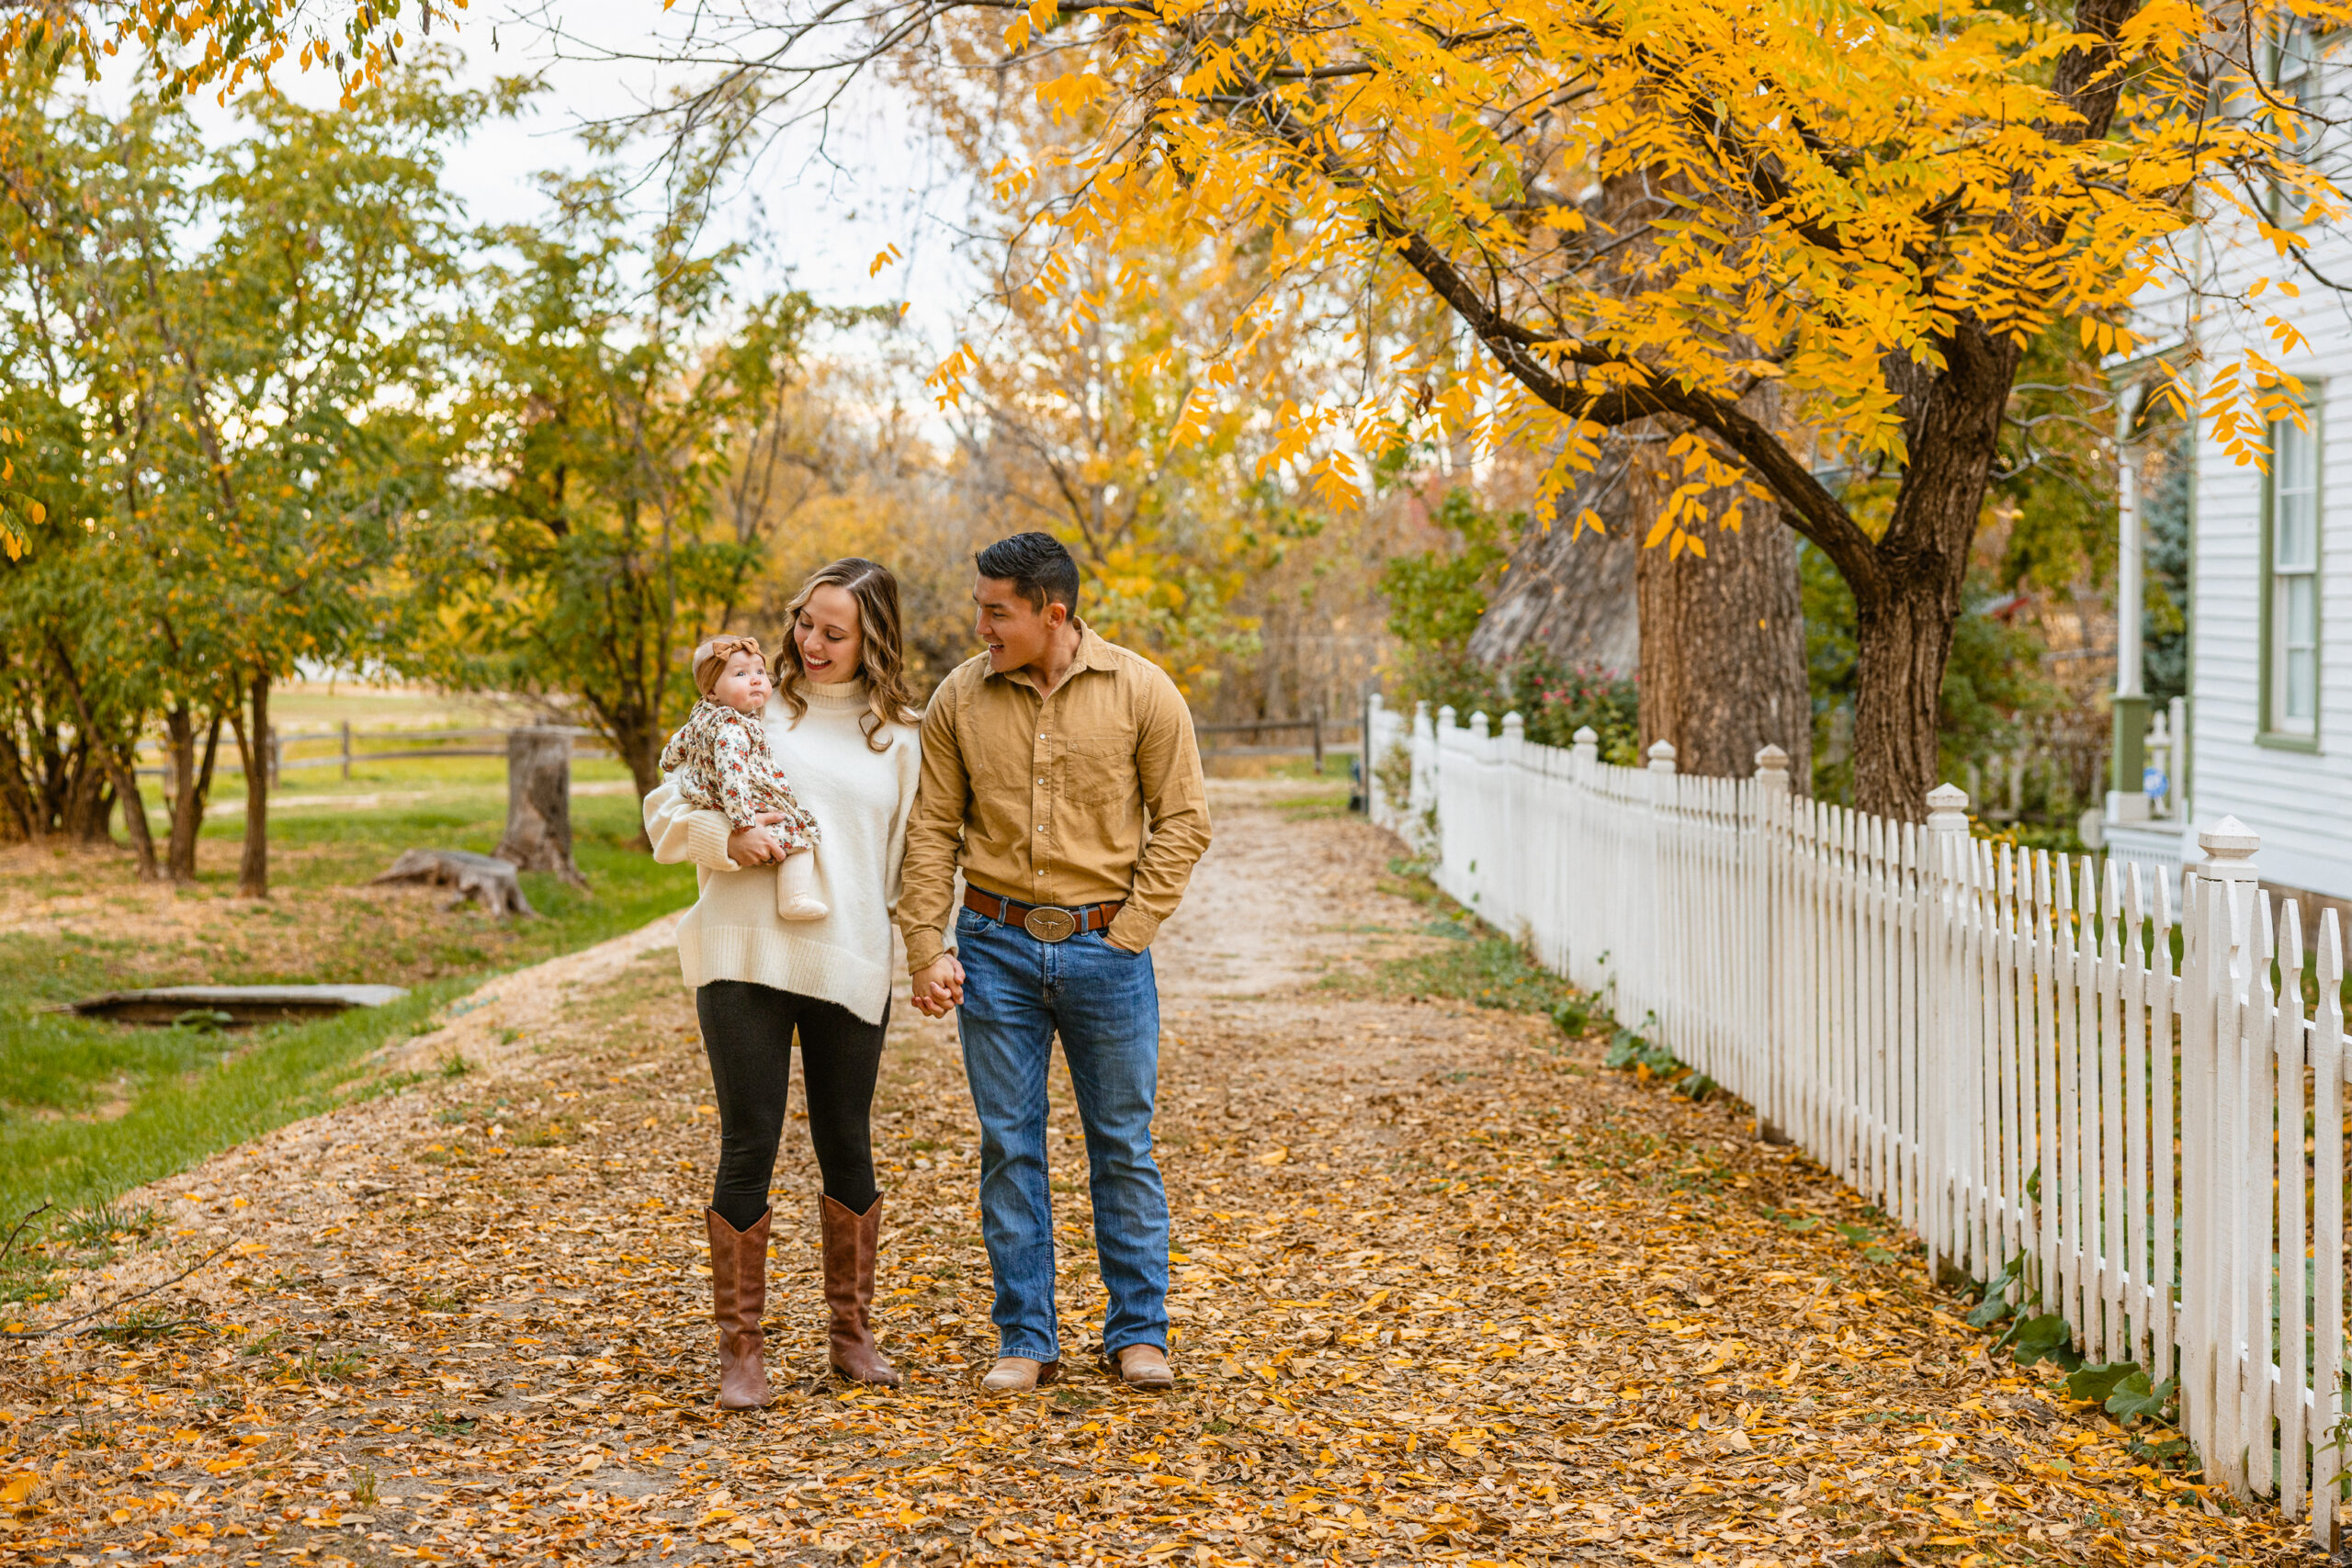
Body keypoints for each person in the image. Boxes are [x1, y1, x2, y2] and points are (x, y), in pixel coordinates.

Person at [900, 531, 1211, 1393]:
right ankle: (1026, 1336)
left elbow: (1184, 820)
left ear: (1053, 613)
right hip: (994, 949)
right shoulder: (960, 696)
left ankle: (1138, 1332)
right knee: (1010, 1147)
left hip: (1107, 950)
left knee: (1122, 1145)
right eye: (981, 608)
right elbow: (931, 830)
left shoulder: (1143, 692)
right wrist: (927, 945)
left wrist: (1129, 932)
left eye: (997, 611)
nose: (981, 625)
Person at [643, 558, 924, 1407]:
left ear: (874, 637)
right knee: (749, 1140)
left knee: (848, 1137)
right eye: (806, 623)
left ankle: (851, 1331)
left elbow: (917, 862)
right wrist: (722, 842)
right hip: (743, 956)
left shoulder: (901, 737)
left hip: (850, 960)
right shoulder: (747, 703)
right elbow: (665, 807)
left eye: (835, 632)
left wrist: (926, 954)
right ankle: (742, 1350)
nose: (812, 643)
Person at [657, 634, 828, 920]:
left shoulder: (700, 718)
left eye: (760, 672)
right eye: (741, 674)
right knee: (801, 838)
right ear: (712, 691)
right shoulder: (733, 730)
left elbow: (673, 750)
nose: (756, 680)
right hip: (745, 808)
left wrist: (668, 765)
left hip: (715, 802)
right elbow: (732, 777)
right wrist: (744, 824)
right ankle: (793, 899)